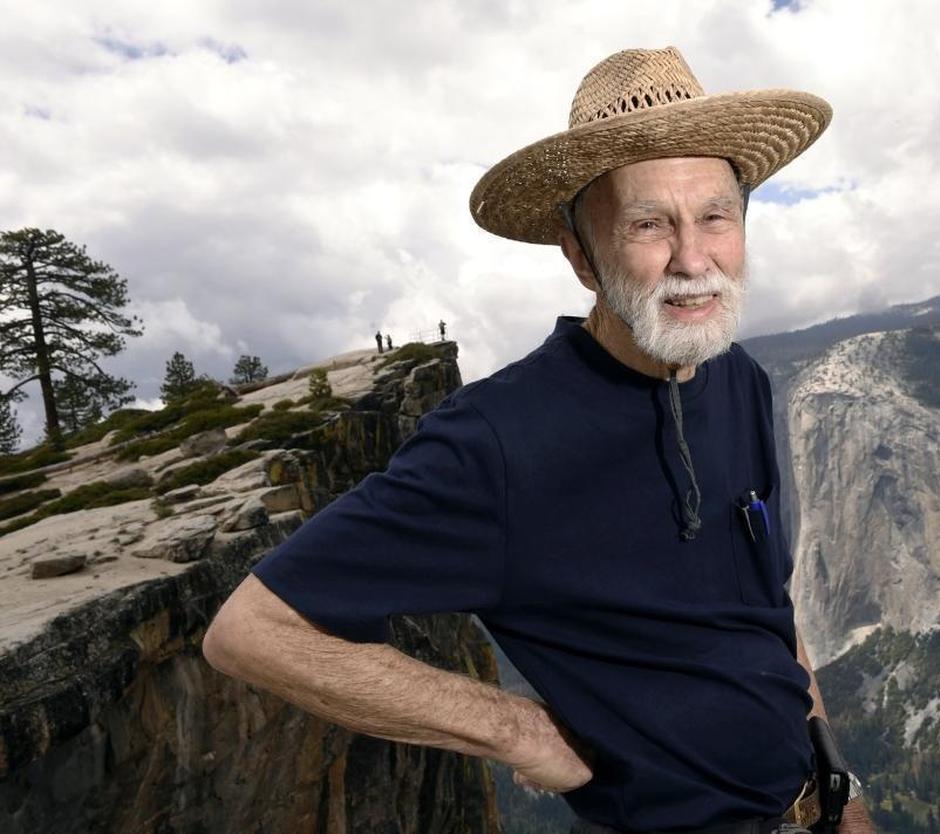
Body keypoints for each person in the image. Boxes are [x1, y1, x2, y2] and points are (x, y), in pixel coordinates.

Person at [204, 46, 873, 834]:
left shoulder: (740, 379)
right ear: (581, 257)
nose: (693, 260)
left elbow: (772, 606)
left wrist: (839, 787)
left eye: (714, 216)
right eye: (648, 224)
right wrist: (513, 729)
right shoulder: (500, 440)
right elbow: (250, 632)